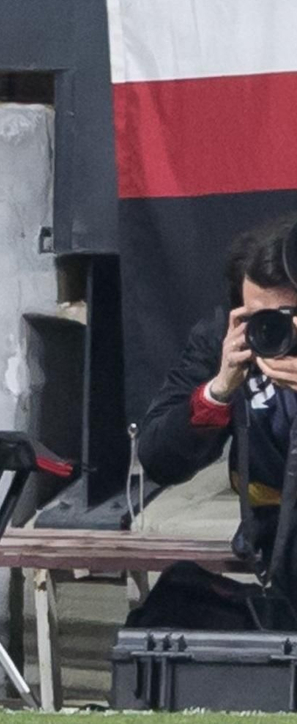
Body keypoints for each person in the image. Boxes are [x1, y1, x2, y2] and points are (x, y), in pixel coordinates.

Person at [136, 215, 297, 584]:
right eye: (260, 317)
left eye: (289, 316)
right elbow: (157, 458)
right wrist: (218, 390)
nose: (277, 330)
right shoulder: (228, 338)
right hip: (271, 537)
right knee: (179, 593)